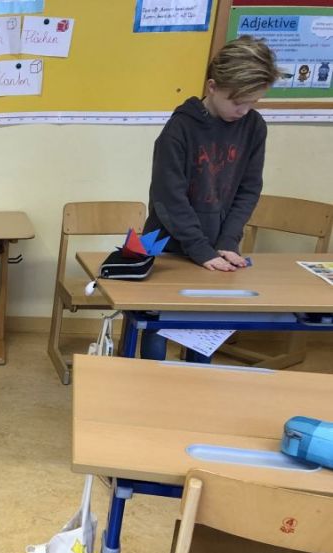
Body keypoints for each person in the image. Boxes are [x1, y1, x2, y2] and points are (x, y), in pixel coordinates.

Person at [140, 35, 280, 361]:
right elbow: (168, 198)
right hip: (164, 243)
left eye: (253, 102)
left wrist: (228, 241)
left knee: (203, 332)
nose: (243, 110)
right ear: (213, 86)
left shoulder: (253, 127)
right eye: (237, 101)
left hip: (217, 246)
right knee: (155, 329)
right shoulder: (179, 129)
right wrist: (200, 248)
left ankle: (195, 385)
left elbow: (248, 189)